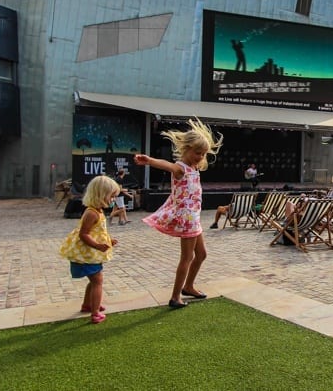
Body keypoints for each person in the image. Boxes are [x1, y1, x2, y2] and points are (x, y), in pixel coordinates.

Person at [135, 118, 223, 309]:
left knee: (201, 255)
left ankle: (188, 286)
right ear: (187, 149)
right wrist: (149, 160)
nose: (200, 157)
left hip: (194, 219)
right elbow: (166, 165)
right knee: (187, 257)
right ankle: (175, 296)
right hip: (186, 220)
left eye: (203, 154)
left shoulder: (194, 168)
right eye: (197, 153)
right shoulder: (181, 168)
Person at [59, 175, 120, 324]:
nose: (113, 200)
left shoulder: (97, 211)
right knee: (98, 280)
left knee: (93, 280)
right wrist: (98, 246)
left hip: (91, 254)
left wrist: (108, 241)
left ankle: (88, 304)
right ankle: (95, 312)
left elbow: (97, 232)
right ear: (101, 195)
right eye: (111, 197)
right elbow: (84, 234)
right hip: (87, 254)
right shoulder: (91, 213)